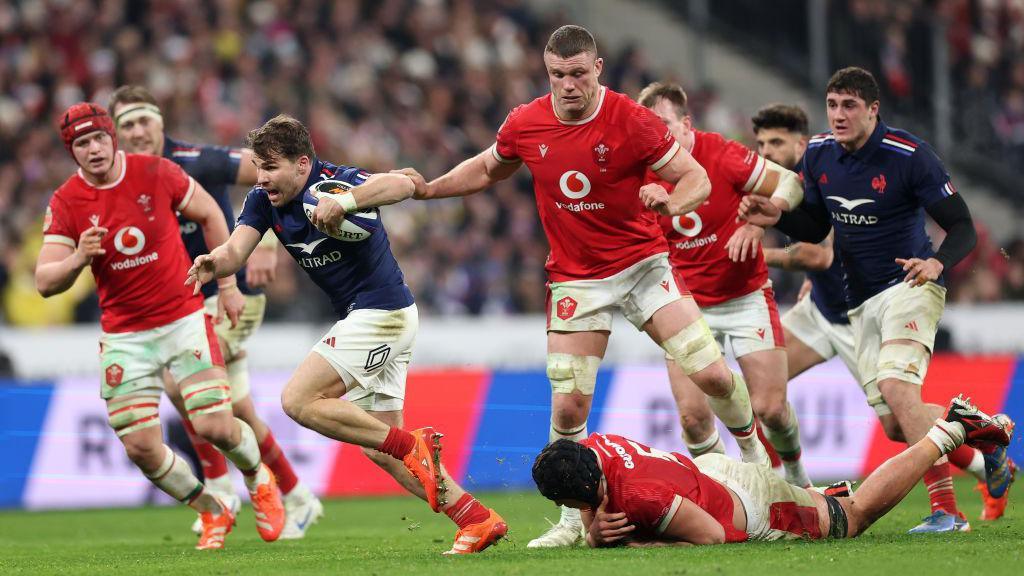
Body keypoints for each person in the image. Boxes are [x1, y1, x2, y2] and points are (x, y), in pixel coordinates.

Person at [395, 24, 770, 548]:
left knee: (709, 374)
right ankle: (572, 522)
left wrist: (673, 203)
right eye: (556, 75)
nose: (567, 85)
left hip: (644, 265)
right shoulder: (526, 122)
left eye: (576, 73)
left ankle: (756, 458)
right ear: (546, 72)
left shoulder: (633, 120)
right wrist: (432, 189)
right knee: (568, 409)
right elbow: (488, 168)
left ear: (597, 69)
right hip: (578, 278)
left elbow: (697, 180)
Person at [185, 114, 506, 555]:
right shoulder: (263, 200)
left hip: (382, 313)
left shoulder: (334, 181)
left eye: (271, 167)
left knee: (298, 400)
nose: (261, 178)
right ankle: (475, 518)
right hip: (374, 317)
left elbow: (404, 185)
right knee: (380, 451)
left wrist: (349, 201)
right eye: (258, 167)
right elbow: (236, 250)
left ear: (302, 164)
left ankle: (413, 444)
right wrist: (214, 262)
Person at [738, 67, 1015, 532]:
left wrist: (938, 264)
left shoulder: (909, 155)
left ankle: (947, 511)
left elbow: (962, 224)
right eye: (832, 105)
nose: (839, 115)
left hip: (910, 287)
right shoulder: (821, 155)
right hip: (859, 303)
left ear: (872, 109)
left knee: (897, 389)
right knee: (894, 423)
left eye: (849, 106)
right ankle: (985, 432)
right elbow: (815, 227)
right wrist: (777, 215)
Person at [35, 103, 284, 549]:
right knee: (140, 448)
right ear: (71, 152)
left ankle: (256, 476)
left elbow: (211, 215)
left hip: (184, 318)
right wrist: (77, 258)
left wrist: (227, 286)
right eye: (81, 144)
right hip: (125, 336)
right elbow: (44, 281)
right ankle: (212, 509)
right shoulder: (66, 202)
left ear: (112, 137)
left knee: (215, 427)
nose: (93, 149)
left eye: (98, 139)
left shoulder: (155, 172)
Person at [109, 85, 322, 539]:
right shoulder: (121, 181)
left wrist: (265, 239)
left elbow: (274, 173)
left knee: (178, 379)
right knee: (236, 412)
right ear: (116, 134)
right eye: (127, 124)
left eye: (144, 119)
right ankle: (299, 496)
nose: (138, 131)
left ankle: (221, 488)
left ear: (160, 122)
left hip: (229, 297)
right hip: (180, 304)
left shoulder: (197, 159)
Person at [532, 396, 1013, 547]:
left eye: (570, 505)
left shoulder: (642, 501)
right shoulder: (595, 447)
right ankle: (826, 494)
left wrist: (637, 542)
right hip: (710, 472)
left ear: (581, 490)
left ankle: (951, 431)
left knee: (854, 517)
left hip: (749, 504)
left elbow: (712, 539)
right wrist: (597, 536)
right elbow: (603, 502)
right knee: (834, 503)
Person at [637, 83, 810, 487]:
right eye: (648, 127)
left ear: (686, 123)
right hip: (683, 305)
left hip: (745, 295)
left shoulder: (721, 152)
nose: (656, 136)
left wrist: (759, 220)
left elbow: (791, 184)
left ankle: (799, 478)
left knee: (771, 409)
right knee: (693, 420)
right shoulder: (641, 169)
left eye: (663, 125)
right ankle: (731, 495)